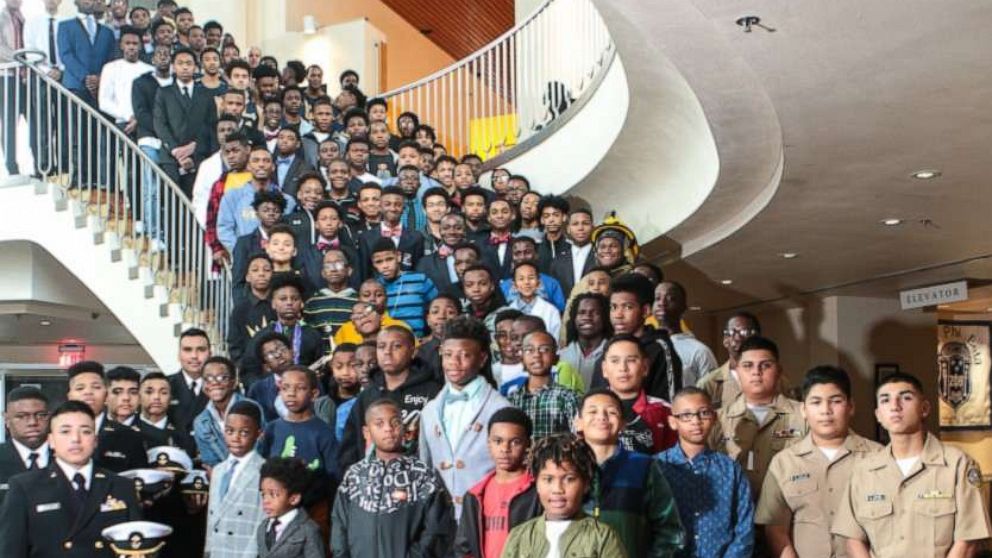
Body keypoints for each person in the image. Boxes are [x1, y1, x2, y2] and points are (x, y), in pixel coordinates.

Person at [831, 372, 991, 557]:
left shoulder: (958, 465)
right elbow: (853, 539)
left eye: (906, 397)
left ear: (924, 408)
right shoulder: (864, 471)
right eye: (885, 400)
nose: (895, 406)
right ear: (878, 415)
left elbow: (968, 540)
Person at [756, 365, 882, 558]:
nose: (826, 410)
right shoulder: (784, 462)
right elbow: (775, 529)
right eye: (816, 402)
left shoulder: (878, 457)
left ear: (851, 407)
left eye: (836, 401)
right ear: (803, 410)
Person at [0, 400, 142, 558]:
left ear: (95, 441)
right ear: (51, 441)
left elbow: (136, 547)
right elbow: (11, 551)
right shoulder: (25, 487)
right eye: (65, 431)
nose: (76, 439)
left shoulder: (121, 486)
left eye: (85, 431)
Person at [331, 399, 454, 557]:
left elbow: (436, 529)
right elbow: (339, 524)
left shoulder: (423, 475)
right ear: (366, 432)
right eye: (379, 424)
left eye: (395, 423)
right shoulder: (355, 475)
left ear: (404, 429)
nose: (388, 429)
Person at [574, 388, 684, 557]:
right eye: (592, 411)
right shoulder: (567, 467)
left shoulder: (643, 465)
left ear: (623, 423)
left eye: (611, 412)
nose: (601, 417)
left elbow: (669, 529)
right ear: (578, 422)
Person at [419, 316, 511, 519]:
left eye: (464, 355)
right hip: (440, 523)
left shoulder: (500, 408)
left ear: (482, 358)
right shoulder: (430, 411)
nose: (454, 362)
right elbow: (425, 468)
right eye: (448, 354)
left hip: (487, 516)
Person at [657, 388, 754, 558]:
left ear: (714, 417)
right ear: (673, 422)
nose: (696, 421)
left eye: (703, 413)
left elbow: (744, 528)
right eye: (686, 415)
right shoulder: (656, 466)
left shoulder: (730, 469)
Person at [501, 433, 627, 557]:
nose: (557, 489)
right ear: (536, 483)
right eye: (548, 479)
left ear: (586, 484)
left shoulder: (603, 537)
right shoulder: (519, 536)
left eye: (569, 479)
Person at [710, 336, 807, 496]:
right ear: (737, 371)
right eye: (748, 366)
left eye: (766, 365)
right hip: (735, 512)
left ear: (779, 371)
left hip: (786, 512)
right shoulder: (718, 420)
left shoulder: (804, 415)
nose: (756, 372)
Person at [338, 326, 442, 473]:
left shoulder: (433, 391)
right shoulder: (368, 394)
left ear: (413, 352)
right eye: (381, 346)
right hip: (372, 481)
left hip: (419, 479)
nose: (387, 352)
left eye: (397, 346)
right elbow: (351, 443)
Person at [257, 366, 339, 537]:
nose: (291, 393)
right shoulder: (272, 429)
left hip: (314, 512)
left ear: (314, 393)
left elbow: (333, 479)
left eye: (300, 388)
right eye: (285, 388)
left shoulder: (323, 432)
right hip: (276, 513)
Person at [454, 408, 541, 558]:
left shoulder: (538, 490)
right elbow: (464, 546)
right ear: (488, 443)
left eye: (515, 442)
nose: (505, 449)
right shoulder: (475, 495)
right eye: (498, 441)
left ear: (528, 444)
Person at [589, 273, 683, 401]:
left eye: (627, 307)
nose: (618, 315)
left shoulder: (660, 349)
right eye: (614, 307)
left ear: (645, 311)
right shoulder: (607, 349)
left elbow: (670, 404)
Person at [204, 400, 266, 558]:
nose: (236, 438)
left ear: (259, 434)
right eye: (230, 431)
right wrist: (208, 551)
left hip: (243, 551)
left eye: (244, 433)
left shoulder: (263, 470)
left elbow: (262, 521)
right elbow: (212, 518)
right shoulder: (218, 470)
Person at [153, 47, 218, 195]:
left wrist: (195, 147)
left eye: (189, 63)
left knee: (197, 199)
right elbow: (160, 124)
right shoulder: (164, 92)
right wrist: (177, 151)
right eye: (180, 63)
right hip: (171, 156)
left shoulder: (206, 94)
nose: (185, 67)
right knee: (172, 201)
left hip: (200, 155)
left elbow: (212, 125)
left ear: (195, 67)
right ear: (173, 67)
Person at [600, 335, 677, 454]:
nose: (623, 368)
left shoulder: (664, 411)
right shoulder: (588, 411)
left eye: (631, 360)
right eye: (615, 361)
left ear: (645, 367)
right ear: (604, 369)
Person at [64, 360, 146, 472]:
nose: (88, 392)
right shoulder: (55, 434)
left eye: (96, 387)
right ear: (69, 396)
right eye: (80, 388)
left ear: (106, 394)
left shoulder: (129, 436)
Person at [242, 275, 326, 381]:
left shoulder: (312, 335)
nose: (289, 302)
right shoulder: (262, 336)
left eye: (294, 298)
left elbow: (322, 368)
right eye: (283, 299)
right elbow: (250, 371)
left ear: (301, 303)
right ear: (273, 303)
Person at [506, 330, 580, 440]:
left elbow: (577, 439)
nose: (536, 355)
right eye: (529, 350)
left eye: (544, 349)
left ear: (556, 358)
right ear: (521, 358)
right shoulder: (511, 400)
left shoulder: (568, 398)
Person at [193, 356, 264, 468]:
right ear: (203, 385)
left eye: (222, 377)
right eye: (208, 378)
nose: (215, 383)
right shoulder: (200, 422)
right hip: (224, 478)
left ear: (233, 382)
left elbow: (262, 449)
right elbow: (211, 464)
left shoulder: (252, 408)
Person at [257, 457, 327, 558]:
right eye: (263, 494)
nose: (266, 501)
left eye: (274, 494)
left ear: (294, 499)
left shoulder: (308, 530)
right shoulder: (263, 528)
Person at [369, 237, 438, 337]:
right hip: (385, 344)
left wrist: (431, 338)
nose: (385, 266)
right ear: (373, 264)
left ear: (398, 256)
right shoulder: (373, 288)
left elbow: (439, 308)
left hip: (417, 343)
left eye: (389, 259)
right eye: (379, 262)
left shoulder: (420, 280)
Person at [653, 282, 717, 388]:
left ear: (683, 307)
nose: (662, 303)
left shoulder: (700, 351)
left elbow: (712, 394)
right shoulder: (644, 346)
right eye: (657, 298)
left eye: (671, 298)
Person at [696, 312, 762, 410]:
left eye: (745, 332)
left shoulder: (774, 380)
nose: (737, 338)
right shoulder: (709, 384)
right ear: (725, 340)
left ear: (758, 338)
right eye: (731, 333)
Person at [0, 387, 50, 506]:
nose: (32, 422)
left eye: (40, 415)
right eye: (21, 416)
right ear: (7, 419)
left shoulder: (66, 456)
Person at [98, 26, 151, 135]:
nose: (131, 47)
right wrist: (128, 116)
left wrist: (139, 119)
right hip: (122, 122)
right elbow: (104, 102)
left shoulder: (150, 69)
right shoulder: (110, 68)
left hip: (146, 125)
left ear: (141, 46)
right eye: (127, 43)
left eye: (135, 43)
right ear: (121, 45)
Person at [228, 254, 276, 363]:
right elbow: (235, 347)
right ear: (247, 277)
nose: (261, 274)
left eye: (267, 270)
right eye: (255, 270)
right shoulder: (239, 310)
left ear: (273, 274)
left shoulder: (279, 304)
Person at [304, 248, 359, 342]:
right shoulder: (312, 303)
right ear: (323, 273)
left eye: (338, 264)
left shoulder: (359, 301)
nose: (333, 269)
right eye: (328, 265)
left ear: (349, 270)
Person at [136, 371, 197, 456]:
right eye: (149, 392)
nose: (156, 397)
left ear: (170, 399)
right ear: (138, 397)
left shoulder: (183, 432)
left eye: (163, 393)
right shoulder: (126, 429)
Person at [499, 236, 567, 313]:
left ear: (536, 255)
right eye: (517, 253)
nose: (522, 257)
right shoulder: (503, 286)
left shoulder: (552, 284)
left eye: (527, 252)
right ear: (512, 257)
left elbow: (560, 312)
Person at [560, 292, 611, 391]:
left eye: (594, 312)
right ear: (574, 318)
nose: (587, 317)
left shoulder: (613, 352)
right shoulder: (561, 355)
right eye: (581, 312)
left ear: (604, 317)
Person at [507, 261, 562, 343]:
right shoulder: (508, 311)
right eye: (521, 279)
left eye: (531, 278)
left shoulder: (551, 311)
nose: (526, 282)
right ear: (514, 285)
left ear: (539, 283)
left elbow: (556, 341)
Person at [169, 328, 210, 435]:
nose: (194, 356)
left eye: (201, 349)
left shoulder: (223, 388)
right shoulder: (165, 386)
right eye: (187, 350)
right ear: (178, 355)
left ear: (210, 353)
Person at [550, 208, 596, 296]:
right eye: (575, 224)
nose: (580, 228)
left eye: (585, 223)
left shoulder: (601, 256)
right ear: (568, 229)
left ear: (593, 227)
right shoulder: (558, 261)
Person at [477, 199, 516, 280]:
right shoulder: (478, 245)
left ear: (513, 215)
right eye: (494, 212)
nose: (500, 216)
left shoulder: (519, 244)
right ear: (488, 217)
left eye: (505, 212)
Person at [537, 195, 570, 272]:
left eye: (556, 215)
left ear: (564, 217)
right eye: (546, 216)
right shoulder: (536, 246)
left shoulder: (572, 247)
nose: (551, 219)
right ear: (542, 220)